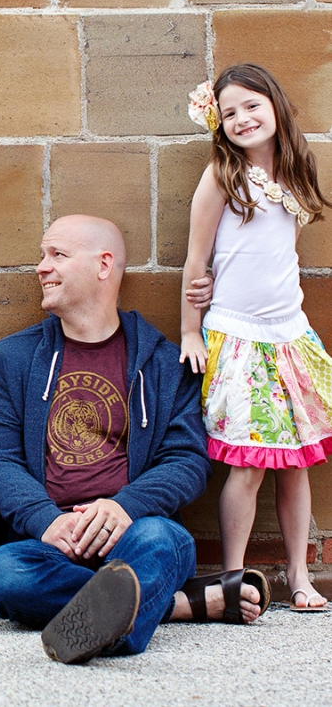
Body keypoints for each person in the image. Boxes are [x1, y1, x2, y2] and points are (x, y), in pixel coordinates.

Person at [0, 215, 270, 666]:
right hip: (53, 544)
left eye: (57, 255)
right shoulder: (13, 357)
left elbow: (188, 461)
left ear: (103, 265)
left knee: (164, 541)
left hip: (136, 532)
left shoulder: (166, 363)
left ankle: (115, 614)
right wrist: (45, 520)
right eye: (42, 255)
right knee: (1, 574)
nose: (41, 267)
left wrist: (125, 507)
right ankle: (178, 605)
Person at [180, 64, 332, 612]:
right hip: (239, 336)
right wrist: (190, 331)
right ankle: (231, 577)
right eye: (229, 112)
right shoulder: (222, 177)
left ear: (275, 105)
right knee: (248, 464)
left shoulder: (294, 172)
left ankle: (298, 574)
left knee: (295, 462)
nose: (242, 118)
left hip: (289, 334)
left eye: (252, 105)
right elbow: (196, 262)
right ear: (217, 123)